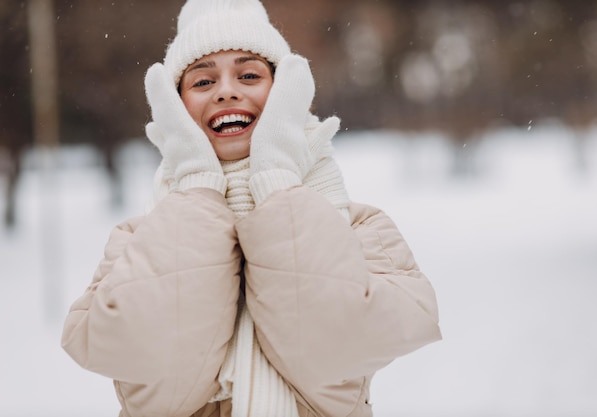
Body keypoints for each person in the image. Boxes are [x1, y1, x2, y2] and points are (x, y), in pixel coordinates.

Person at [60, 0, 442, 416]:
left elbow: (336, 352)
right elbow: (162, 380)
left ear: (284, 93)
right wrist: (197, 186)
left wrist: (276, 179)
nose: (227, 90)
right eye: (203, 82)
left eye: (248, 75)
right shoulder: (137, 240)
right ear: (174, 108)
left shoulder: (357, 226)